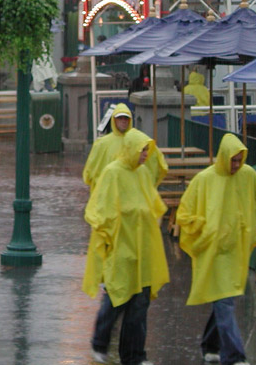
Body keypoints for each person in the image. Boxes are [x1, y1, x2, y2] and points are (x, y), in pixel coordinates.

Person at [176, 133, 256, 365]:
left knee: (224, 301)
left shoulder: (247, 176)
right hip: (213, 253)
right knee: (224, 302)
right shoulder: (204, 180)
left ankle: (210, 345)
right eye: (233, 160)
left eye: (240, 160)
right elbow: (185, 213)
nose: (237, 165)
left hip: (235, 252)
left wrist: (247, 224)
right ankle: (234, 356)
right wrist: (205, 228)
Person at [83, 129, 170, 365]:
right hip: (121, 249)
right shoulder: (112, 174)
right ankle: (100, 342)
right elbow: (100, 210)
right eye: (142, 150)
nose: (145, 155)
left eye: (146, 150)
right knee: (116, 299)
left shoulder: (142, 174)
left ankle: (134, 356)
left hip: (142, 249)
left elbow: (152, 204)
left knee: (140, 304)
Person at [83, 103, 168, 192]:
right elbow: (91, 171)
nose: (123, 121)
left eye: (126, 118)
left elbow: (155, 157)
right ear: (114, 120)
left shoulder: (137, 140)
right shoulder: (101, 144)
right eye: (120, 118)